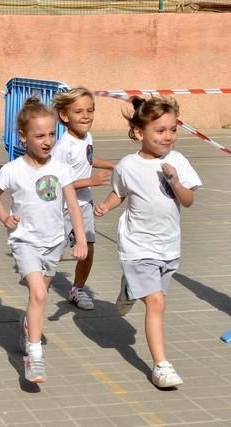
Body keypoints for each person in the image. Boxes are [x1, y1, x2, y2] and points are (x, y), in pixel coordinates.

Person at [94, 96, 202, 388]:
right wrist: (105, 206)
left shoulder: (177, 161)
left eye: (172, 130)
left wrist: (176, 182)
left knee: (155, 299)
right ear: (140, 133)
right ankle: (161, 366)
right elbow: (120, 192)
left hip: (168, 246)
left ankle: (129, 288)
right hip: (137, 246)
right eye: (160, 130)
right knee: (156, 302)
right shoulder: (127, 166)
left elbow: (189, 201)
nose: (168, 136)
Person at [0, 97, 88, 384]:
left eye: (51, 135)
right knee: (40, 295)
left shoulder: (61, 168)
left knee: (37, 300)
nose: (47, 141)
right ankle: (34, 357)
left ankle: (27, 327)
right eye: (39, 135)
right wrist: (6, 218)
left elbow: (73, 206)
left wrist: (78, 239)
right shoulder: (12, 170)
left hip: (53, 243)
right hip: (25, 242)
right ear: (23, 136)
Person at [52, 87, 115, 311]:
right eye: (79, 112)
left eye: (90, 110)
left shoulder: (87, 137)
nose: (85, 116)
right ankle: (39, 281)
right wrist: (92, 181)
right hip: (63, 207)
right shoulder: (62, 147)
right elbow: (60, 183)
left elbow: (87, 159)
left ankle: (77, 288)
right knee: (54, 253)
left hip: (84, 204)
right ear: (65, 116)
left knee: (88, 248)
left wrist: (111, 165)